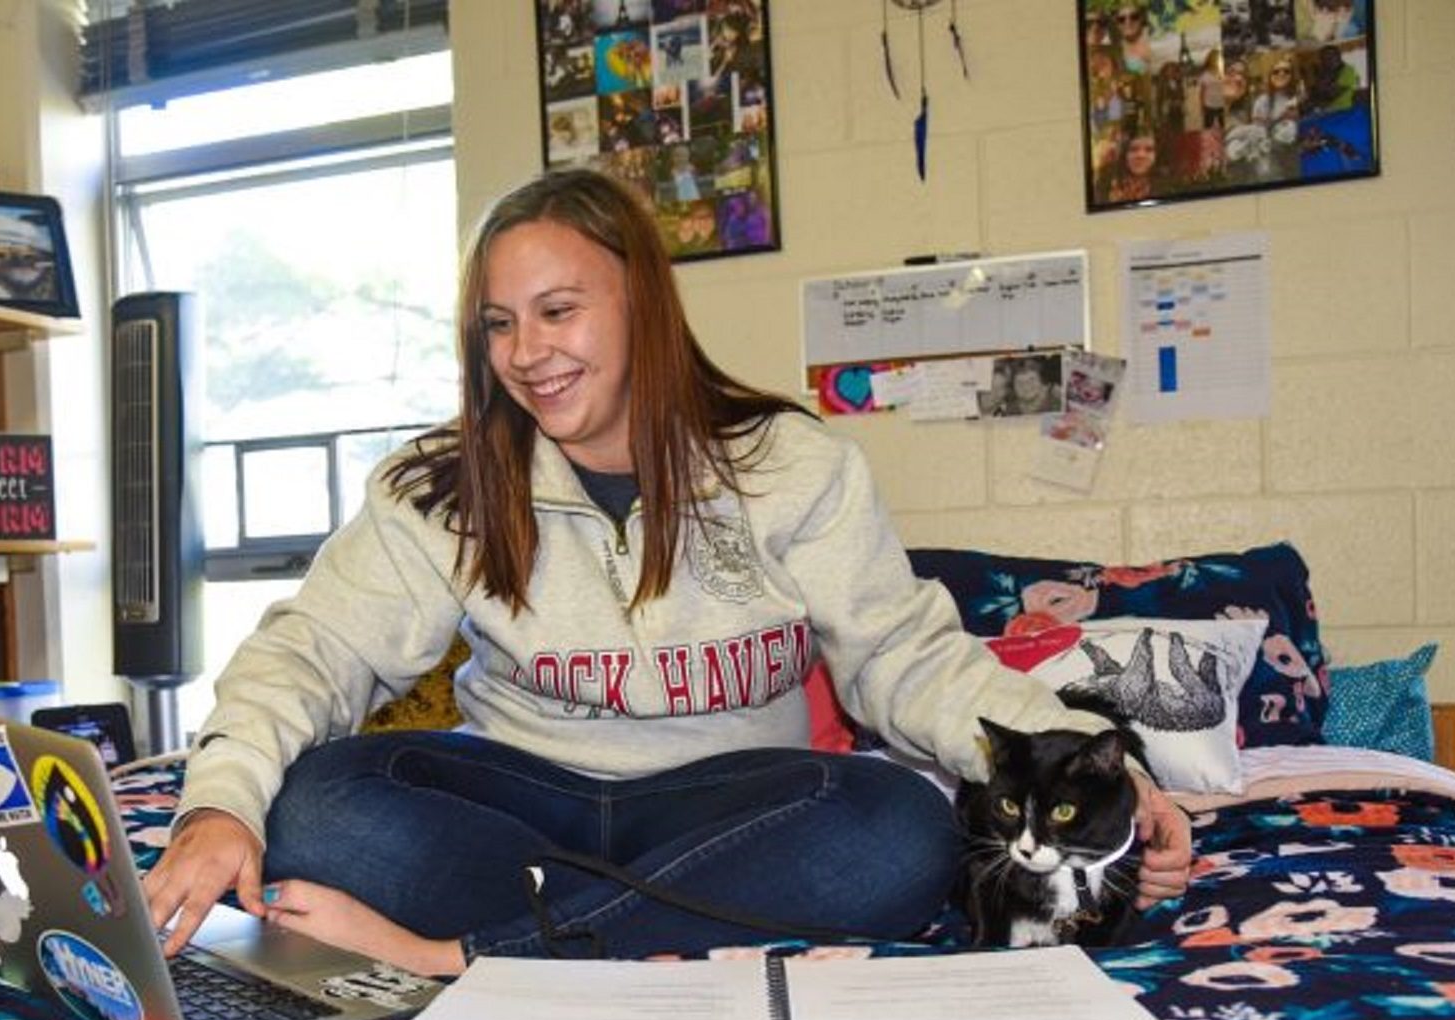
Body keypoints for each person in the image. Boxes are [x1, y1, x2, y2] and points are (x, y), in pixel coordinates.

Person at [141, 168, 1194, 976]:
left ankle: (471, 959)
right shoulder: (443, 487)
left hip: (731, 810)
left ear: (641, 301)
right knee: (319, 804)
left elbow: (907, 661)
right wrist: (216, 807)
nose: (526, 351)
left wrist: (1092, 778)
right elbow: (316, 650)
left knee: (901, 827)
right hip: (524, 811)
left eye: (559, 310)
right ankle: (645, 919)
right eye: (499, 323)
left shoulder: (791, 465)